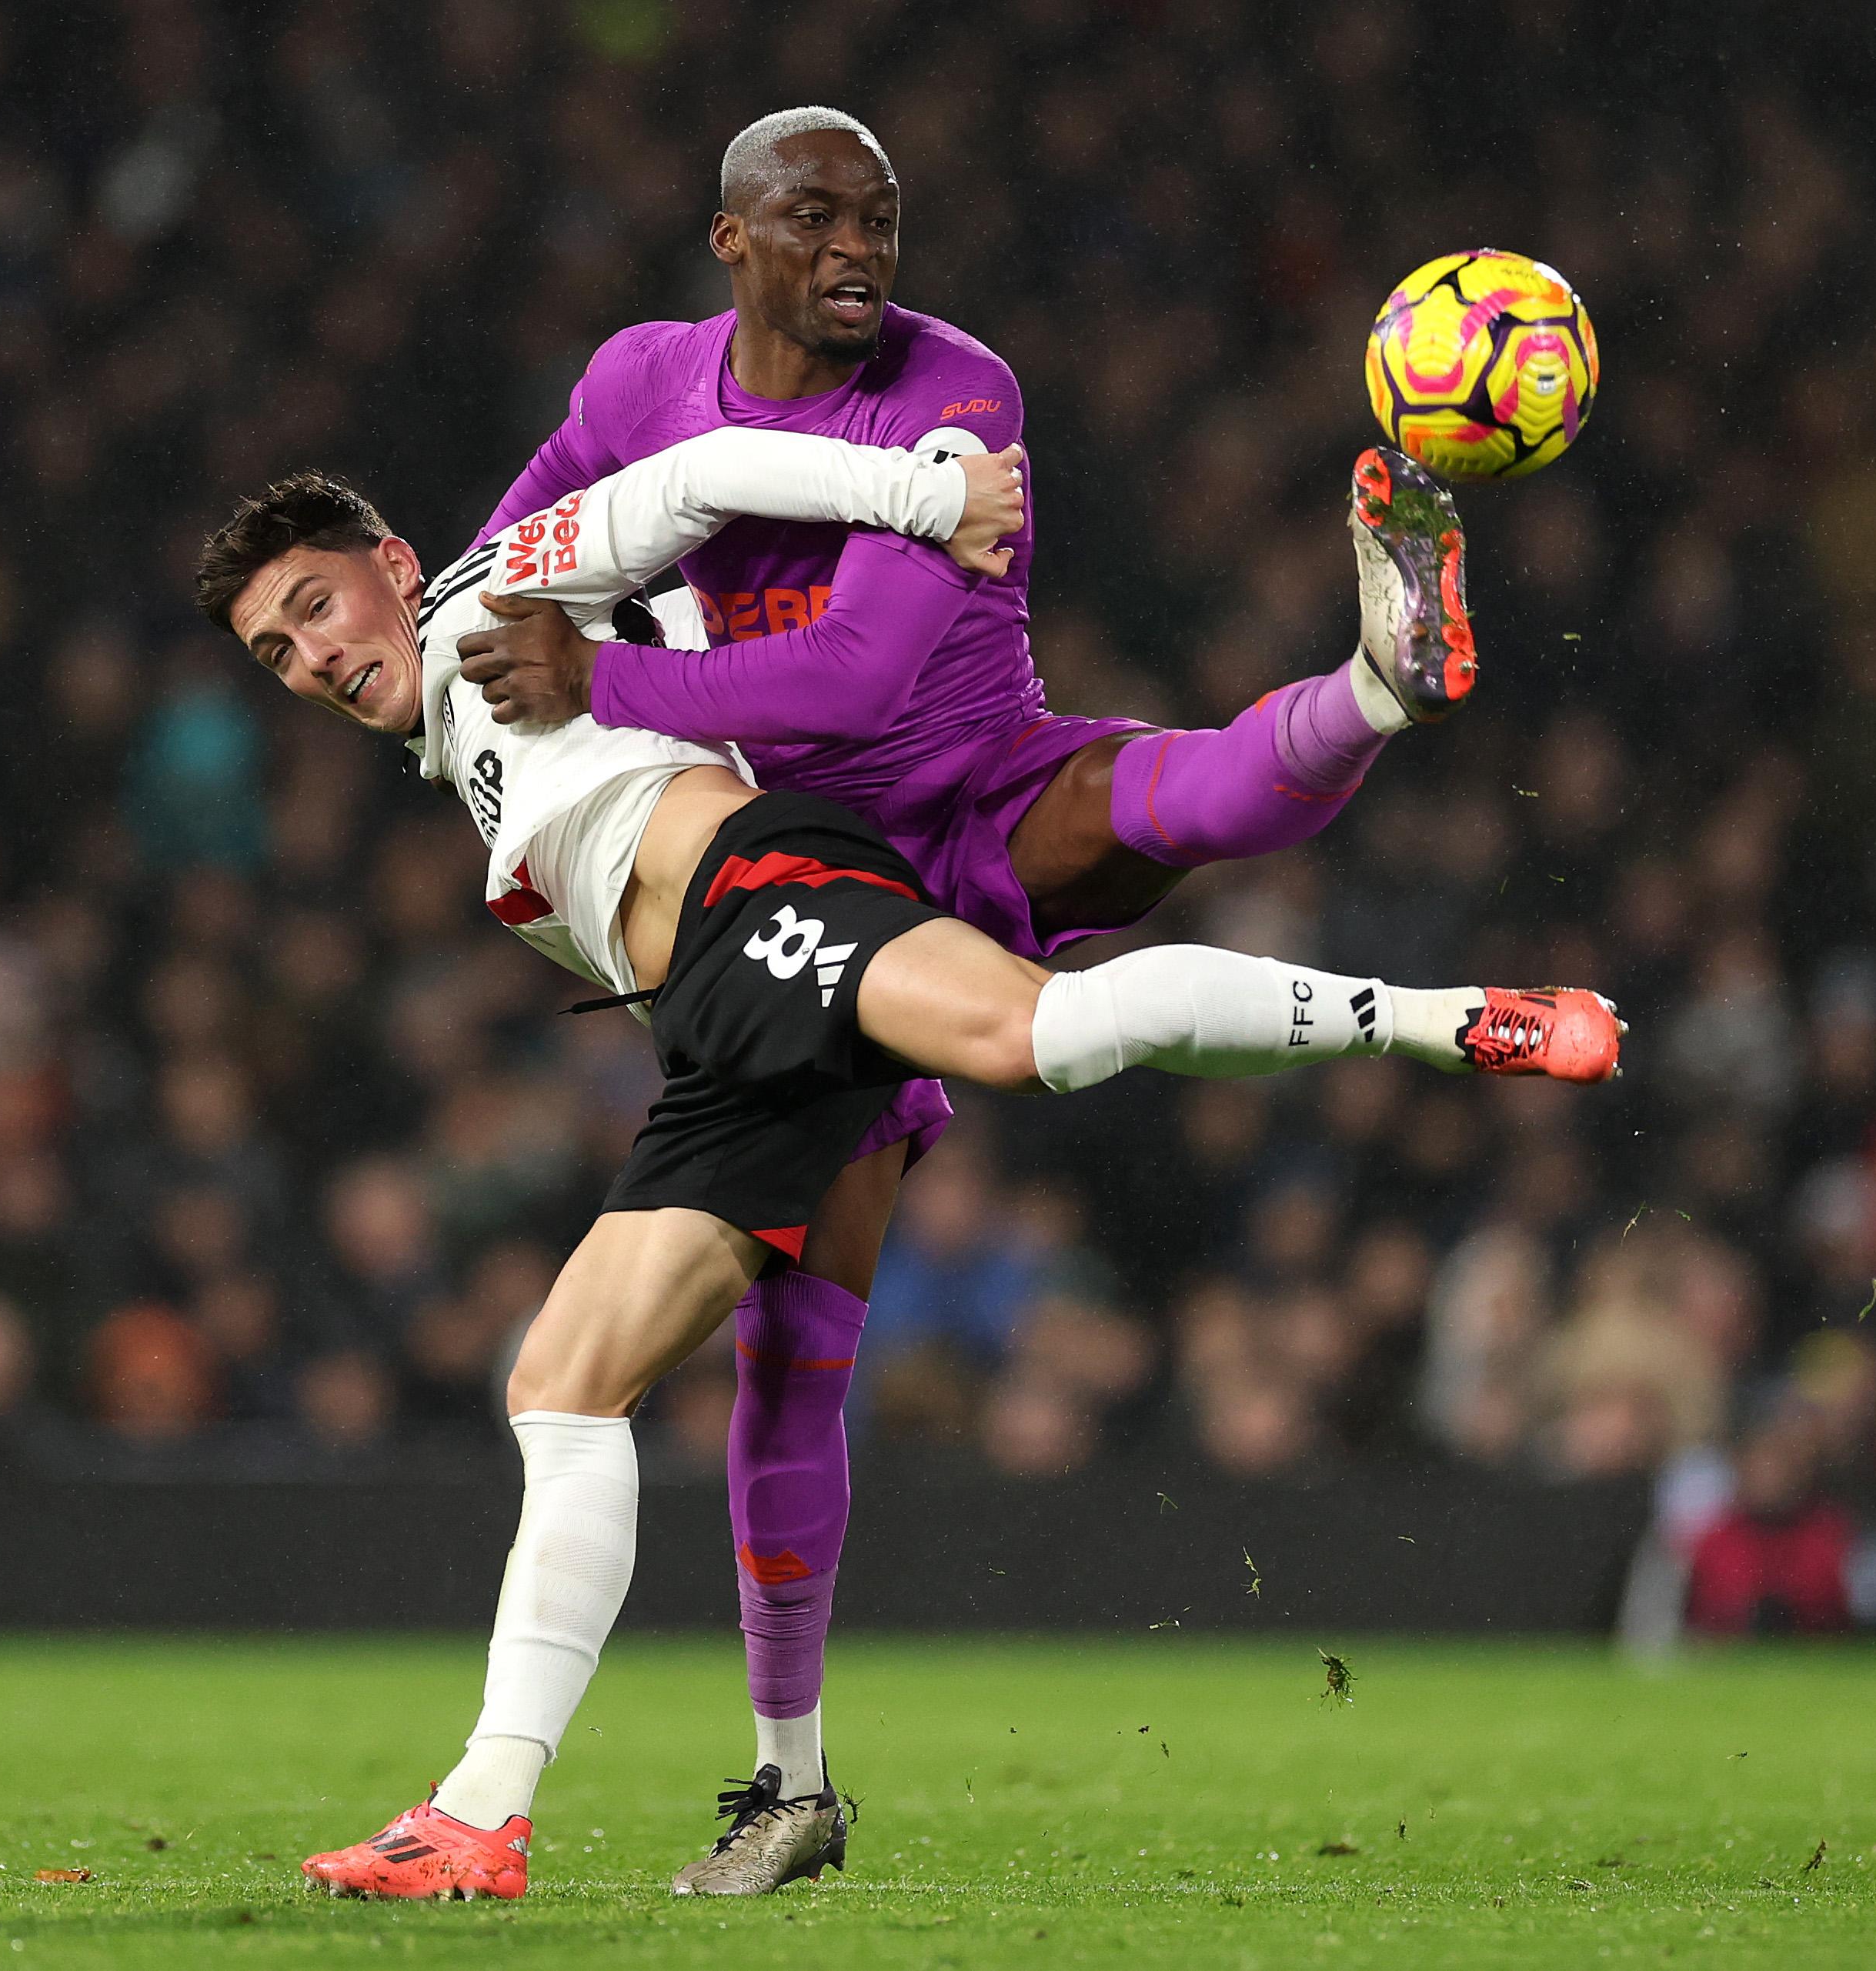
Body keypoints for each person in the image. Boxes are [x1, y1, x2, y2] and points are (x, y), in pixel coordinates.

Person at [194, 436, 1621, 1900]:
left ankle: (1452, 1018)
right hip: (722, 1031)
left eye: (317, 605)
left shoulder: (503, 592)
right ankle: (501, 1814)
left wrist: (929, 494)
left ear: (394, 567)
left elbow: (688, 483)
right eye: (273, 650)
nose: (308, 656)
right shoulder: (460, 729)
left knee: (1039, 1032)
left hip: (765, 898)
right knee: (567, 1384)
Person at [451, 105, 1494, 1872]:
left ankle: (1384, 681)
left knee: (1177, 803)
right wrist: (532, 686)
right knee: (792, 1349)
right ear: (732, 240)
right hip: (803, 891)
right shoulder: (642, 385)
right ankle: (792, 1782)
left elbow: (858, 680)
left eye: (884, 220)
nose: (859, 250)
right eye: (816, 218)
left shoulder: (960, 388)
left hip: (970, 791)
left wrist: (603, 688)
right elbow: (511, 559)